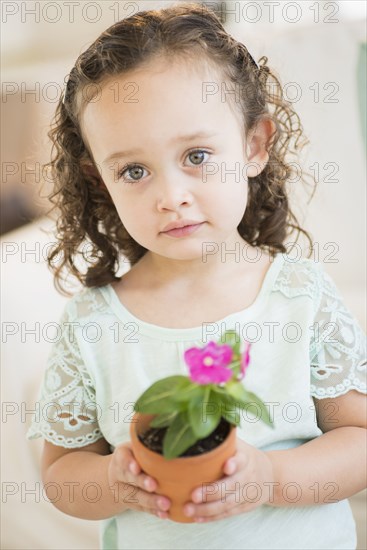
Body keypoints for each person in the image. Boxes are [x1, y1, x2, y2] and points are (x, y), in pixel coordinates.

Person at [27, 3, 366, 549]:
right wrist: (113, 480)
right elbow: (63, 474)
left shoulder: (299, 296)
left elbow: (359, 437)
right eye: (133, 171)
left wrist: (273, 479)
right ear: (99, 180)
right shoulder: (92, 322)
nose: (170, 197)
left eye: (198, 155)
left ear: (253, 146)